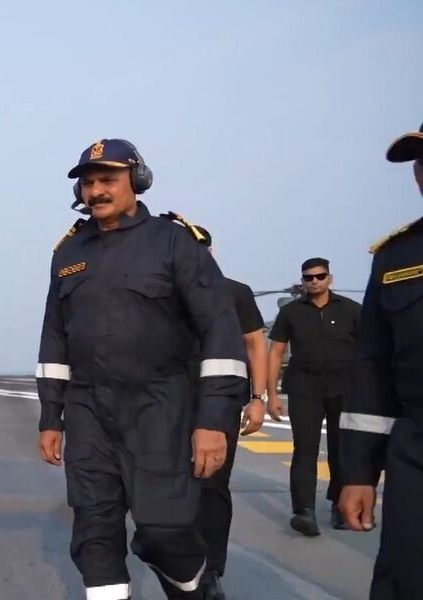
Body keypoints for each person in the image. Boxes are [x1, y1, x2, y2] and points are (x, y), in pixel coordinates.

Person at [37, 139, 248, 600]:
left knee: (163, 532)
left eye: (107, 180)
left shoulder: (173, 242)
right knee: (94, 529)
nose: (96, 191)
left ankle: (195, 588)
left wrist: (213, 420)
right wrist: (50, 415)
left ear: (137, 180)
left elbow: (219, 329)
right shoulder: (68, 254)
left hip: (160, 406)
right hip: (88, 409)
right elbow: (54, 337)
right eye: (88, 183)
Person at [337, 122, 422, 599]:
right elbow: (372, 368)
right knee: (403, 580)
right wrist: (359, 473)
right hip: (416, 450)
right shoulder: (396, 258)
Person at [186, 223, 268, 598]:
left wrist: (258, 397)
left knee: (214, 484)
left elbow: (255, 345)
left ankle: (211, 569)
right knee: (174, 484)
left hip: (222, 401)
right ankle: (183, 562)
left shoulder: (235, 292)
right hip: (171, 402)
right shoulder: (164, 294)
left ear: (211, 251)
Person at [266, 257, 361, 534]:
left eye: (320, 276)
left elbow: (368, 351)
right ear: (303, 281)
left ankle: (340, 506)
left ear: (330, 278)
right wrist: (270, 395)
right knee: (305, 449)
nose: (314, 281)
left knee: (341, 450)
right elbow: (275, 352)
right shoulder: (291, 312)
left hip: (345, 389)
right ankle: (304, 511)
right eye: (308, 277)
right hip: (304, 389)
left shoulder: (352, 310)